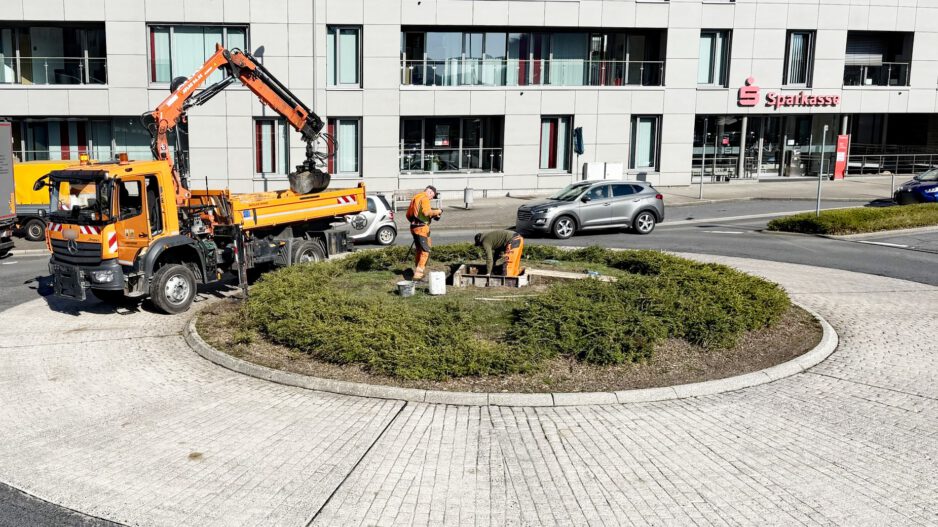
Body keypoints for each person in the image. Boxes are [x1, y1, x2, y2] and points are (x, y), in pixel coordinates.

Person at [406, 185, 442, 280]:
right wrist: (438, 211)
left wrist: (416, 221)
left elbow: (408, 214)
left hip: (414, 227)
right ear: (429, 192)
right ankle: (418, 274)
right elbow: (426, 212)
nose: (431, 198)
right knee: (426, 251)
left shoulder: (416, 197)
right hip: (422, 229)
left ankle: (417, 269)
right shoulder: (425, 198)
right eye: (432, 196)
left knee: (419, 250)